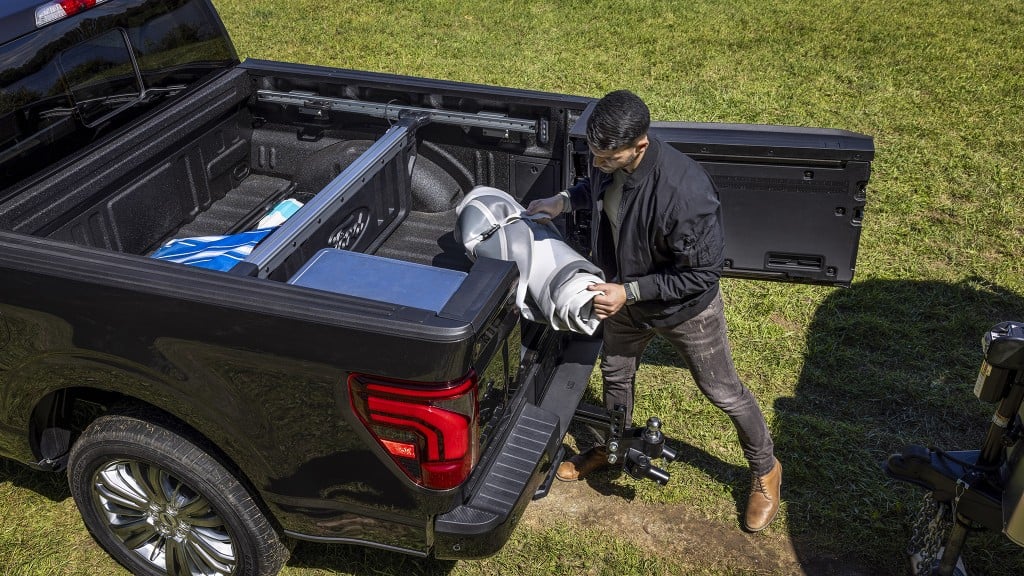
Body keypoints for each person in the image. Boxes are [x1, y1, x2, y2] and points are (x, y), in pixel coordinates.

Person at [526, 90, 782, 533]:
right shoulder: (609, 157)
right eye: (594, 151)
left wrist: (630, 290)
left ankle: (766, 469)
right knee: (615, 375)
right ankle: (612, 447)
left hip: (684, 311)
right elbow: (600, 189)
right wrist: (564, 201)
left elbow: (701, 274)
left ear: (640, 146)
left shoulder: (688, 193)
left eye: (607, 155)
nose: (596, 160)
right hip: (624, 298)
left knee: (724, 392)